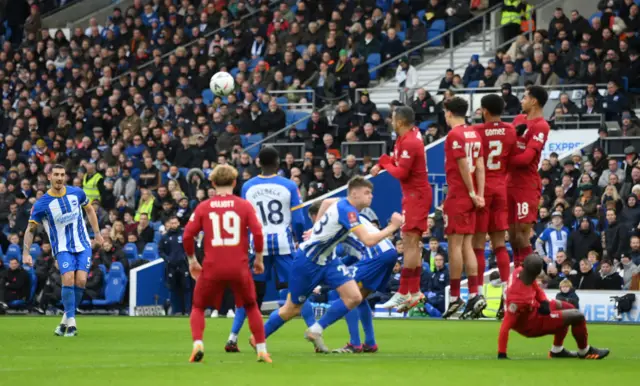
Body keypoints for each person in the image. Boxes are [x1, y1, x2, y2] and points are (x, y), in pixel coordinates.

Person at [255, 177, 403, 353]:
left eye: (371, 193)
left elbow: (325, 201)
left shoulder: (342, 204)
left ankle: (318, 330)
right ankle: (258, 337)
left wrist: (316, 226)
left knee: (354, 297)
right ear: (354, 193)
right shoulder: (347, 212)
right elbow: (368, 241)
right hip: (309, 260)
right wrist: (393, 226)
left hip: (329, 260)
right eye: (367, 192)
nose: (371, 196)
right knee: (291, 309)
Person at [226, 146, 313, 352]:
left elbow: (244, 219)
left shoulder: (248, 186)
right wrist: (300, 237)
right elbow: (299, 219)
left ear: (258, 163)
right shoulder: (289, 185)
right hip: (284, 245)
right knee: (298, 291)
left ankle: (232, 337)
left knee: (250, 294)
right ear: (278, 162)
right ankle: (315, 333)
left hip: (257, 247)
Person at [182, 164, 271, 363]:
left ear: (212, 183)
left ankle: (198, 343)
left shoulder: (204, 207)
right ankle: (262, 350)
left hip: (212, 266)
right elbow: (257, 233)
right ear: (234, 182)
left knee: (198, 306)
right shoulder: (244, 205)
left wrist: (192, 260)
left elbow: (187, 235)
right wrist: (258, 258)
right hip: (239, 266)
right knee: (250, 305)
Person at [303, 203, 398, 354]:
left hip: (375, 255)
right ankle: (370, 342)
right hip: (388, 252)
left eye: (313, 219)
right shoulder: (350, 215)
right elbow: (352, 254)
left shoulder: (333, 221)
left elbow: (336, 252)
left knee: (347, 296)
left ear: (317, 216)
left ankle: (354, 343)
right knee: (359, 298)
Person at [23, 164, 103, 337]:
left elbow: (89, 209)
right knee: (68, 279)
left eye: (62, 174)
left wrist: (97, 234)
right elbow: (30, 229)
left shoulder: (77, 193)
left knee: (81, 281)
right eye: (56, 174)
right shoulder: (42, 204)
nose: (59, 178)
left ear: (65, 176)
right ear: (49, 177)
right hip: (61, 247)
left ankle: (64, 320)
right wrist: (25, 253)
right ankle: (72, 323)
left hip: (82, 244)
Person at [371, 106, 432, 312]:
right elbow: (396, 162)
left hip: (416, 196)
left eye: (394, 118)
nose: (391, 121)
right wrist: (383, 164)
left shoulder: (411, 142)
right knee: (410, 243)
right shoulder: (406, 137)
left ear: (400, 122)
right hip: (414, 195)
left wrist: (384, 163)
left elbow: (401, 173)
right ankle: (413, 292)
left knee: (410, 242)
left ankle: (405, 292)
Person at [498, 254, 610, 360]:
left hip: (535, 309)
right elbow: (505, 325)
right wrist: (501, 353)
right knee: (577, 315)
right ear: (535, 273)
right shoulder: (517, 300)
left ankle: (557, 350)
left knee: (568, 307)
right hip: (532, 324)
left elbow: (536, 288)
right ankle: (584, 351)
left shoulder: (520, 272)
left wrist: (544, 302)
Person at [439, 96, 487, 319]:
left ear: (449, 112)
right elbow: (479, 166)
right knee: (468, 245)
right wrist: (479, 195)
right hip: (472, 196)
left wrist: (469, 192)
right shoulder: (474, 134)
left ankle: (456, 297)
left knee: (454, 246)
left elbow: (462, 165)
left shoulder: (454, 135)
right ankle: (475, 294)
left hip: (459, 194)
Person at [471, 94, 517, 300]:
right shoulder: (510, 130)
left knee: (478, 245)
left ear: (484, 111)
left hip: (482, 190)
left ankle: (478, 294)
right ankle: (508, 291)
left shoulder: (476, 131)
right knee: (499, 244)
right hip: (501, 188)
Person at [507, 86, 550, 268]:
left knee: (523, 235)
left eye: (524, 97)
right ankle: (518, 274)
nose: (521, 100)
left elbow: (526, 159)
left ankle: (527, 279)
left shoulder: (541, 125)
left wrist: (504, 157)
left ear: (534, 101)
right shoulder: (518, 119)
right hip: (509, 183)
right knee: (512, 236)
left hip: (526, 185)